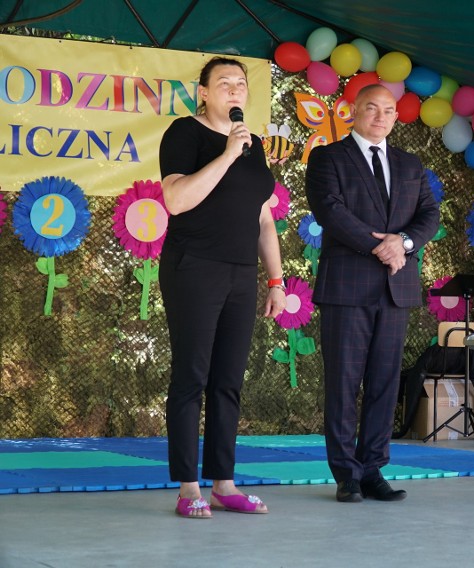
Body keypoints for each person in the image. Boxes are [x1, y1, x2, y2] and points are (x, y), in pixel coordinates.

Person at [158, 57, 285, 518]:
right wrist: (227, 154)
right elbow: (175, 198)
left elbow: (264, 218)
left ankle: (224, 484)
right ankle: (189, 488)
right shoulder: (185, 133)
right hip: (193, 267)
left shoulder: (253, 145)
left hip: (239, 271)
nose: (234, 90)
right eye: (224, 83)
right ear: (204, 92)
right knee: (192, 375)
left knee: (229, 379)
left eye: (240, 83)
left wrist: (276, 280)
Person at [305, 84, 440, 503]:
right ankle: (346, 474)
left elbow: (429, 214)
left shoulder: (409, 163)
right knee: (344, 384)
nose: (380, 117)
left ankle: (372, 470)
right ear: (352, 111)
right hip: (346, 288)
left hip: (395, 289)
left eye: (388, 110)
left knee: (384, 383)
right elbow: (329, 210)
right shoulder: (328, 157)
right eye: (371, 108)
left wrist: (404, 243)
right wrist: (380, 245)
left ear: (396, 118)